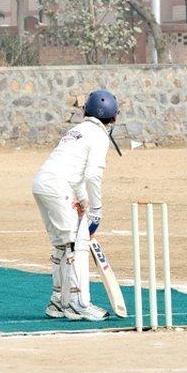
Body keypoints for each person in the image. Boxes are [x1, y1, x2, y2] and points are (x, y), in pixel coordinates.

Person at [32, 90, 119, 321]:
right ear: (113, 118)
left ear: (85, 111)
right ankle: (79, 304)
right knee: (75, 244)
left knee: (63, 244)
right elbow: (92, 175)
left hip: (42, 184)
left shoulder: (77, 130)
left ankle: (58, 302)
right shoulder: (99, 136)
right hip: (59, 187)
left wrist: (82, 201)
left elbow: (76, 171)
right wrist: (96, 211)